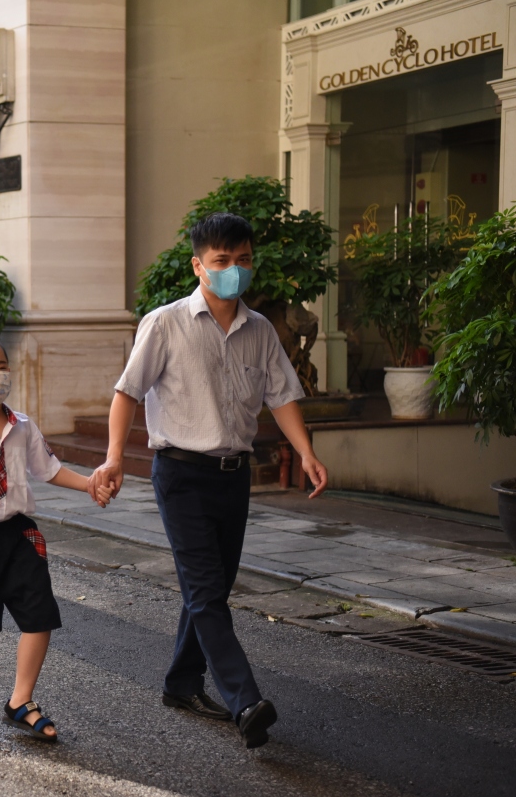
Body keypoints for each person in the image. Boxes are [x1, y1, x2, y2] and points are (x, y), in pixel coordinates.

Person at [87, 212, 329, 749]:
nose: (233, 271)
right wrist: (113, 459)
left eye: (242, 261)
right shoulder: (164, 323)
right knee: (206, 591)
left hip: (232, 476)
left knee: (209, 589)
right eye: (222, 262)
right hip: (180, 474)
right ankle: (246, 699)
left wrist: (306, 452)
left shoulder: (260, 330)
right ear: (199, 266)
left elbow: (282, 395)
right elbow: (127, 394)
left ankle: (180, 682)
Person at [0, 336, 113, 740]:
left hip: (19, 535)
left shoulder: (23, 426)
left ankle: (21, 700)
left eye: (2, 365)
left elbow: (47, 469)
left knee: (39, 615)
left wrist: (88, 485)